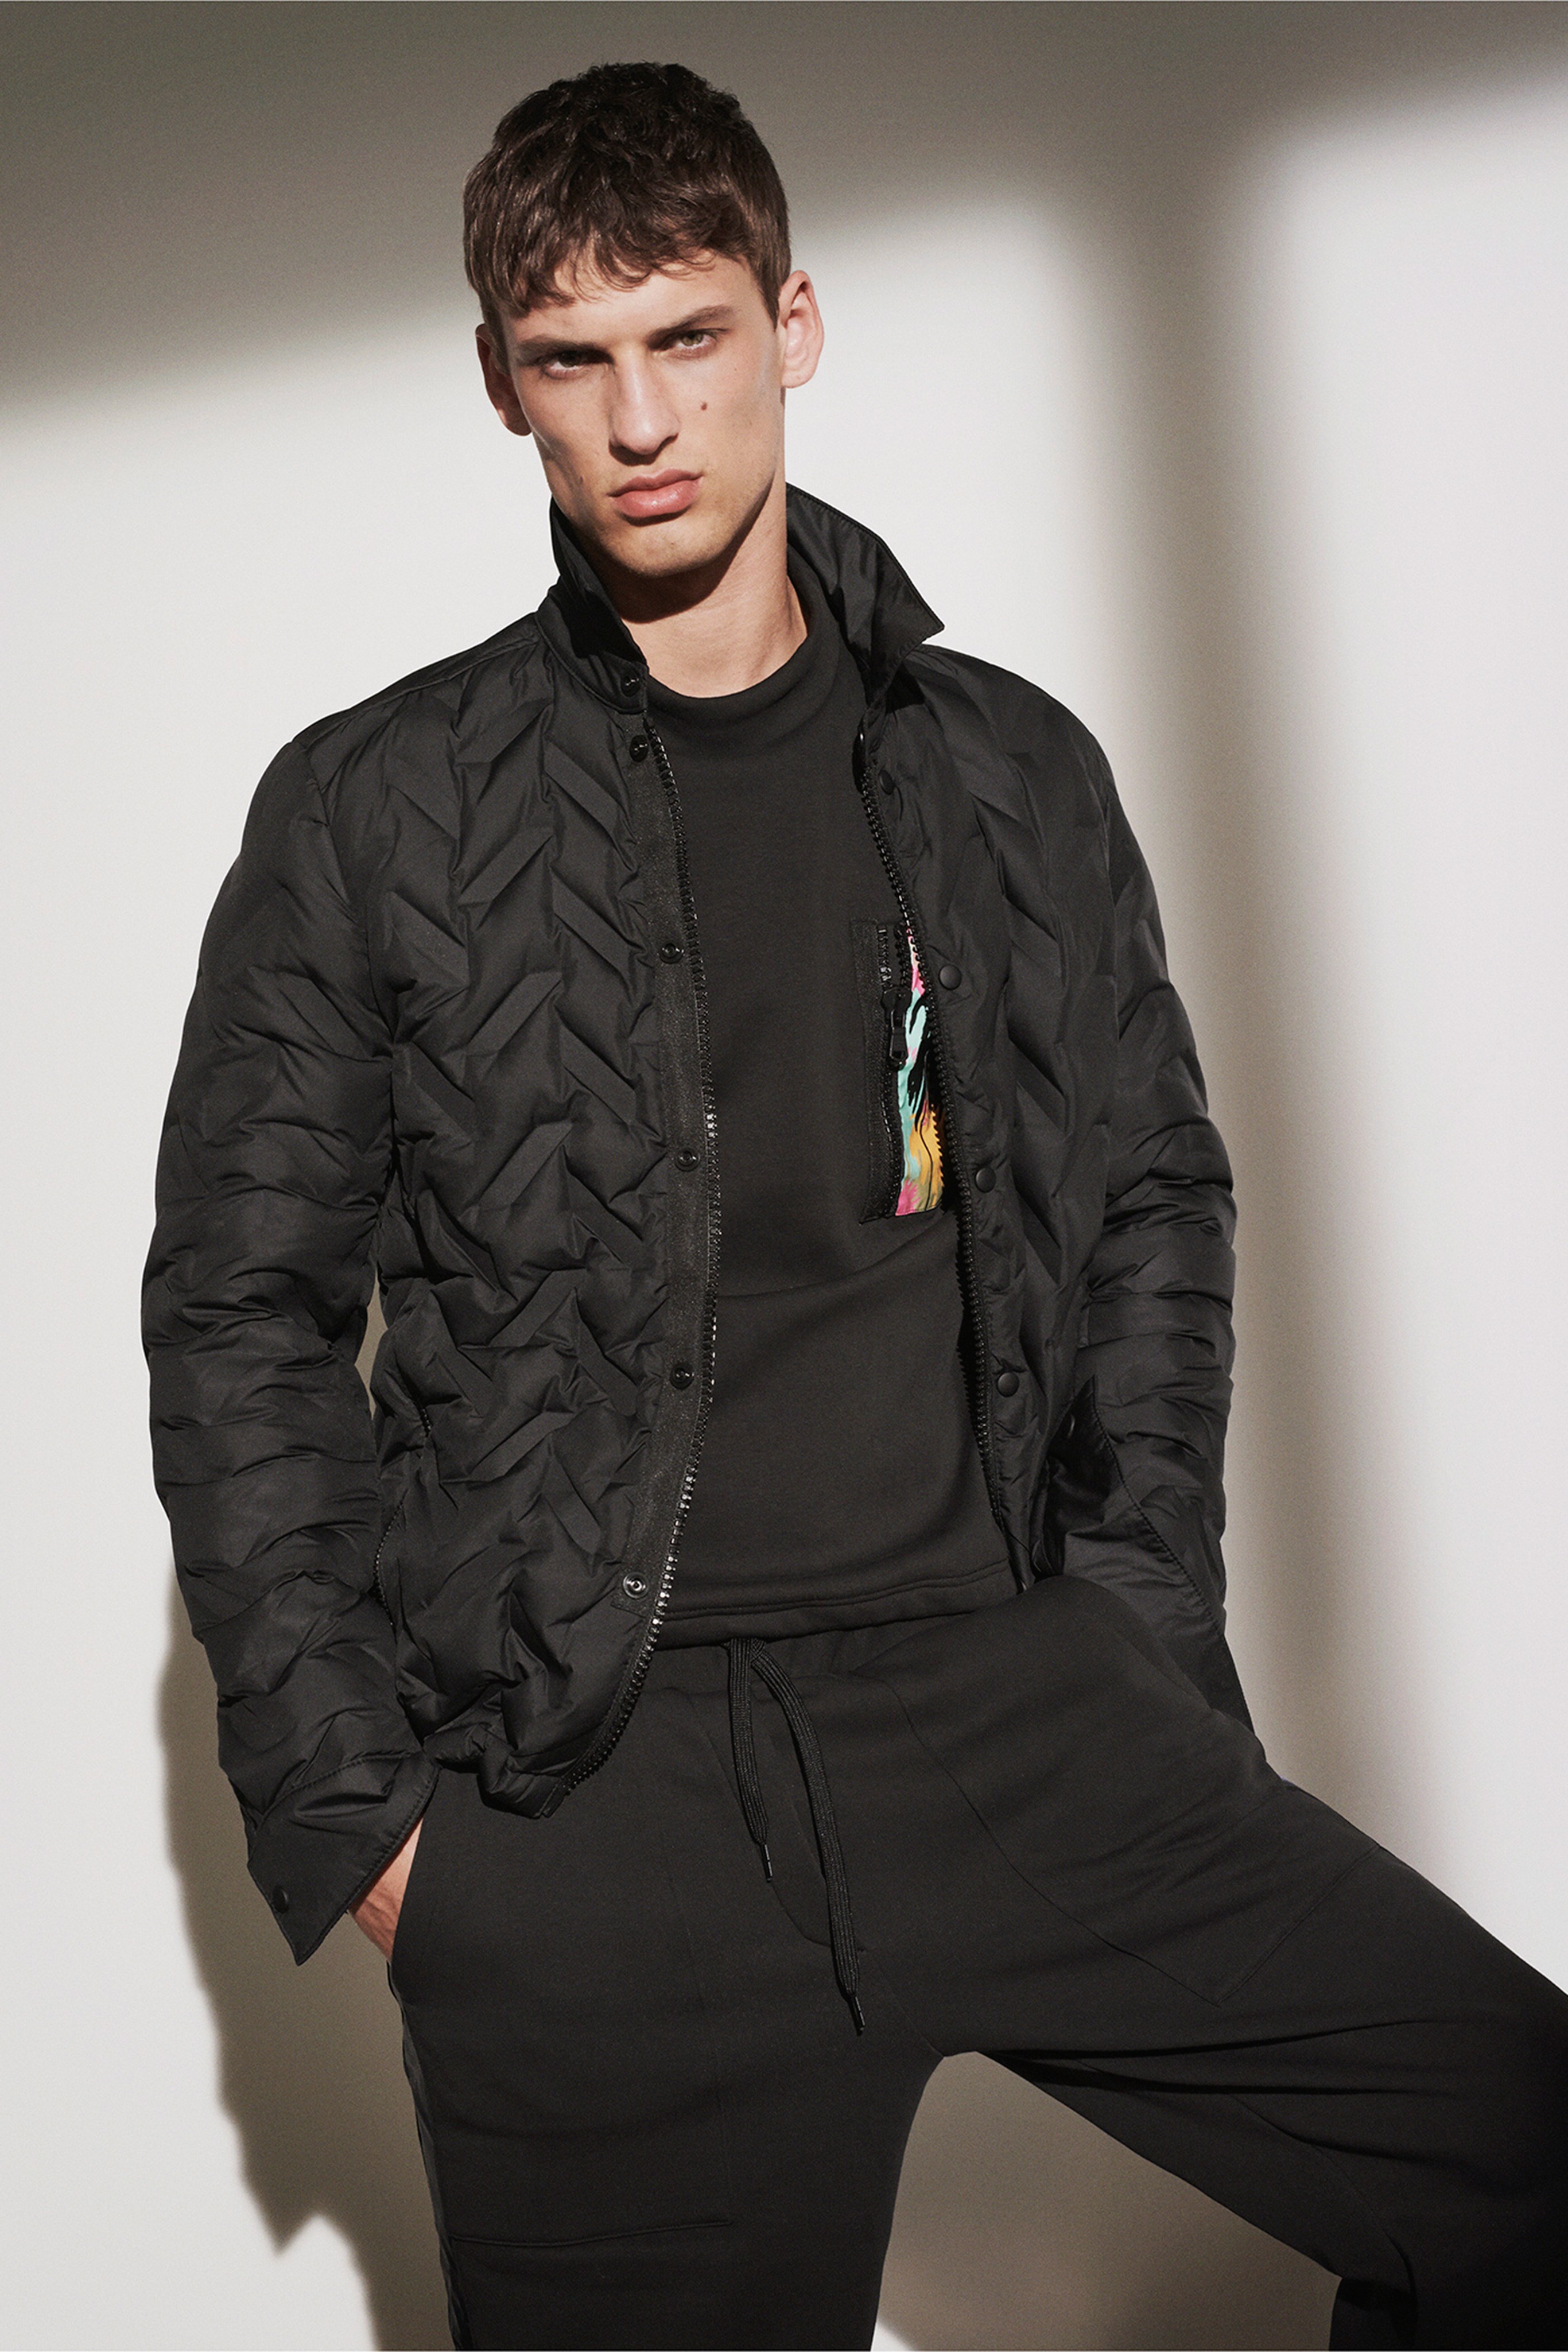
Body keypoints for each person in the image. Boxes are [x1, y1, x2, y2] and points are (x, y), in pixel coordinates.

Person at [143, 59, 1567, 2352]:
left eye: (687, 336)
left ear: (791, 324)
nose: (639, 421)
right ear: (499, 380)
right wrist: (382, 1833)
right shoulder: (374, 809)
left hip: (1015, 1709)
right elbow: (239, 1315)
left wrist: (1131, 1630)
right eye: (571, 359)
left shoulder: (1008, 768)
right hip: (593, 1802)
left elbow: (1149, 1197)